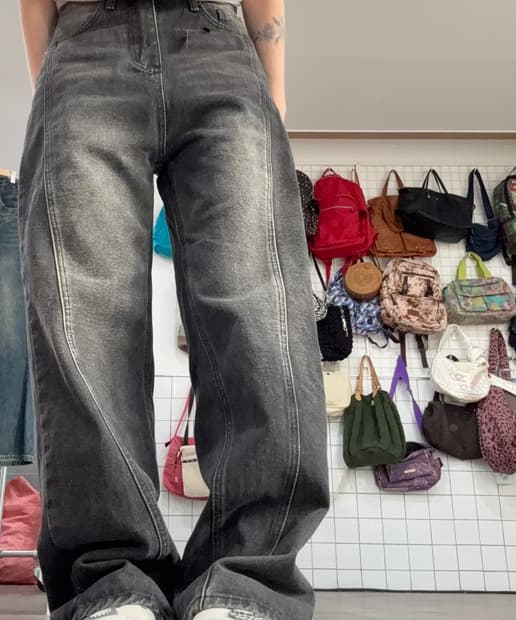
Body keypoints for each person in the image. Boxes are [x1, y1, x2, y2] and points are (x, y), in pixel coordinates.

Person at [18, 1, 328, 619]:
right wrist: (53, 73)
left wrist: (274, 97)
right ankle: (113, 582)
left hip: (220, 41)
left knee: (260, 310)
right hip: (82, 41)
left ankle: (246, 582)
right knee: (84, 316)